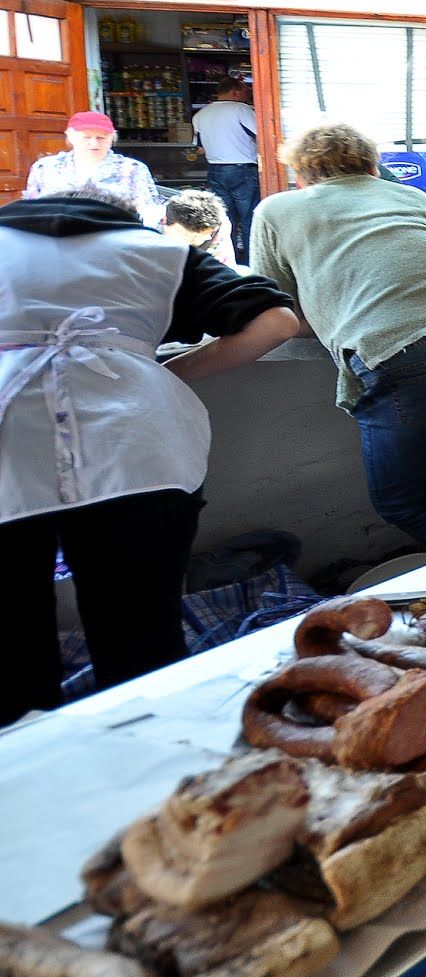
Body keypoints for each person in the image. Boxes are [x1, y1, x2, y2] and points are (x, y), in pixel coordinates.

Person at [0, 181, 298, 723]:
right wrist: (171, 370)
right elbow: (275, 321)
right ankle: (150, 762)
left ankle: (26, 767)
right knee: (139, 630)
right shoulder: (158, 251)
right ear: (122, 218)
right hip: (137, 442)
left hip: (5, 444)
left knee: (8, 637)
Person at [251, 124, 426, 555]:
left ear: (300, 174)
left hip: (407, 348)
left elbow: (275, 308)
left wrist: (336, 309)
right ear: (371, 166)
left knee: (402, 500)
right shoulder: (410, 196)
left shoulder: (277, 210)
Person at [23, 111, 160, 226]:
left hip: (113, 235)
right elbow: (30, 210)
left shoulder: (132, 169)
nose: (94, 143)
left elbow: (149, 214)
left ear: (112, 139)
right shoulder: (45, 168)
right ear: (70, 137)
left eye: (101, 138)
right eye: (86, 137)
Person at [192, 79, 261, 260]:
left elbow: (200, 149)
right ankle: (250, 263)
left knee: (225, 222)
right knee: (249, 221)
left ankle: (229, 262)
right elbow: (263, 136)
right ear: (235, 93)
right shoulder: (241, 110)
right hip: (243, 170)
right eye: (246, 91)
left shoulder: (200, 115)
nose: (248, 95)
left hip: (215, 171)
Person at [162, 189, 236, 265]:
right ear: (164, 224)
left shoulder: (219, 228)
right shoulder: (152, 229)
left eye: (203, 236)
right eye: (187, 236)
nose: (196, 242)